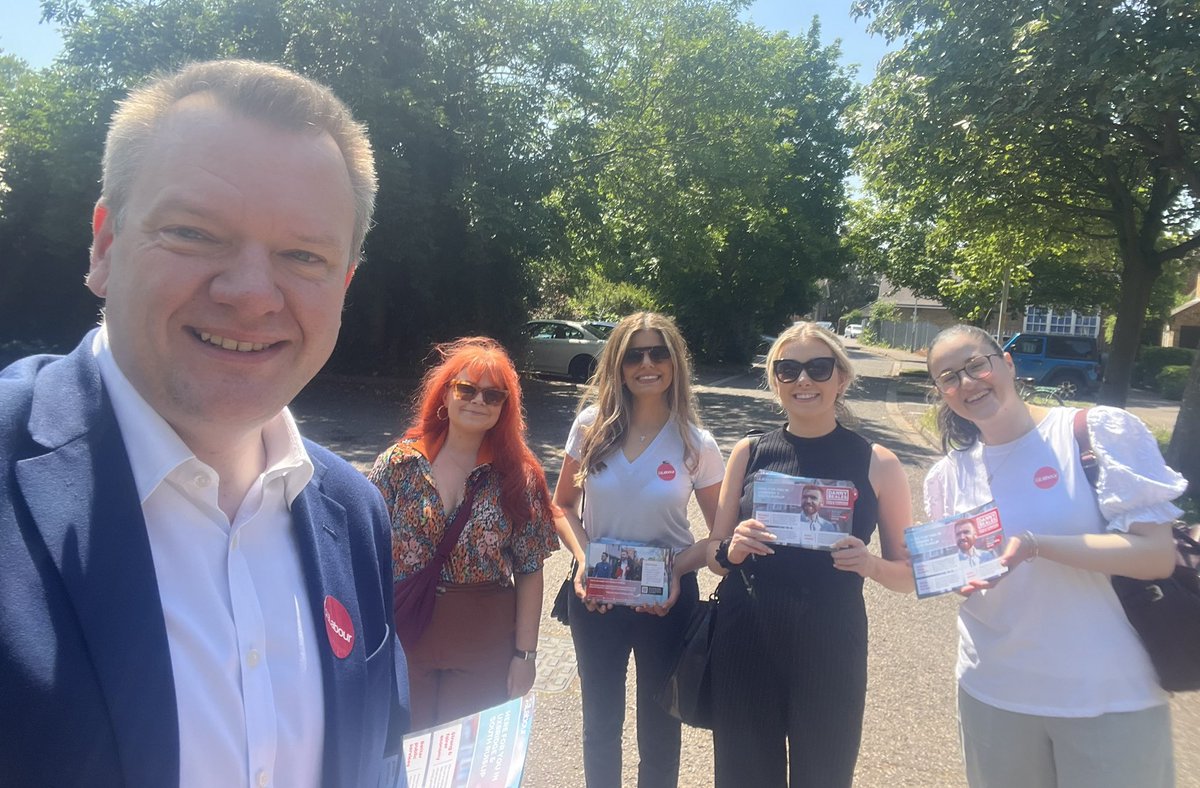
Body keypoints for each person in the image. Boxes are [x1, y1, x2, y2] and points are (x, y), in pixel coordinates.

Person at [0, 60, 409, 787]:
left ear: (343, 284)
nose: (252, 294)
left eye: (303, 256)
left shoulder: (354, 511)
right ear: (105, 246)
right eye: (193, 232)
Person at [925, 324, 1182, 788]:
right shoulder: (949, 475)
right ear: (941, 392)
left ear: (1007, 363)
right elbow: (957, 571)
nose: (966, 383)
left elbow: (1156, 556)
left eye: (976, 365)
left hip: (1109, 695)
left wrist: (1037, 546)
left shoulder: (1094, 432)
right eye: (948, 377)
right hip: (993, 692)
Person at [706, 322, 914, 788]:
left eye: (819, 368)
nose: (804, 380)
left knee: (824, 774)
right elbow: (713, 556)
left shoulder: (877, 461)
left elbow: (909, 575)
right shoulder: (749, 451)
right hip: (748, 636)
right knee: (743, 777)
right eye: (789, 369)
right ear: (775, 380)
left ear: (841, 379)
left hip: (831, 642)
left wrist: (871, 564)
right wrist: (732, 548)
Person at [553, 311, 725, 788]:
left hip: (666, 603)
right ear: (618, 364)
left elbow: (719, 538)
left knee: (660, 730)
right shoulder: (591, 426)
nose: (646, 364)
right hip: (596, 597)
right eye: (633, 355)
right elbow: (562, 505)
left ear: (675, 362)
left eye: (658, 353)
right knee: (600, 725)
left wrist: (676, 571)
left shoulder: (696, 443)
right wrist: (586, 561)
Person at [367, 337, 558, 729]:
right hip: (406, 633)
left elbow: (529, 570)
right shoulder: (400, 463)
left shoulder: (518, 478)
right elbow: (365, 549)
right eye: (466, 389)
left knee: (467, 757)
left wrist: (525, 657)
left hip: (483, 640)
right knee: (402, 750)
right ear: (445, 394)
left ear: (505, 407)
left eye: (492, 395)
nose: (477, 401)